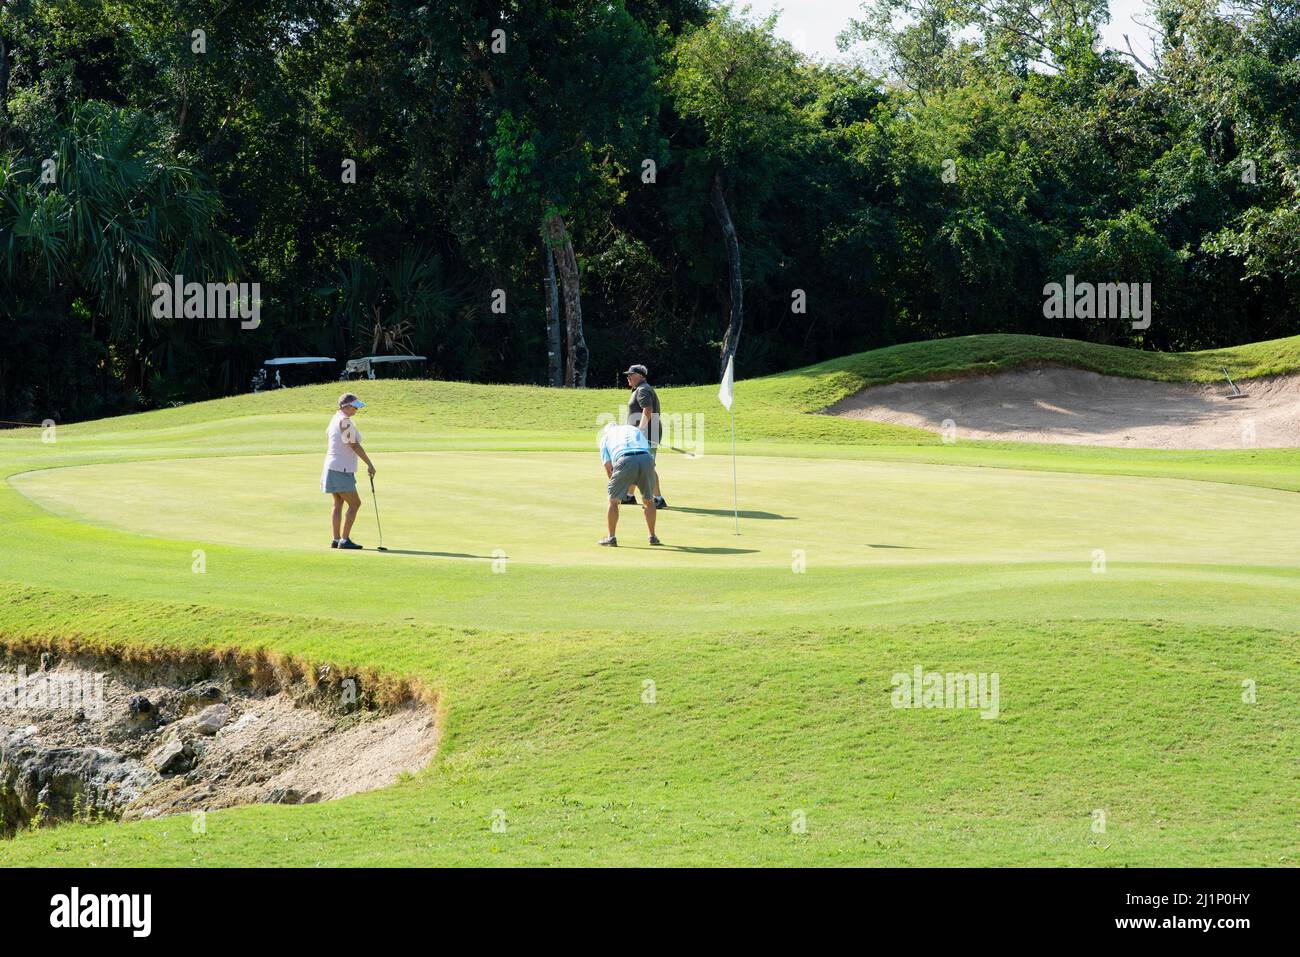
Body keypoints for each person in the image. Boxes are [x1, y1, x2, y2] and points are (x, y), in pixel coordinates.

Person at [321, 393, 377, 549]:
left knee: (338, 503)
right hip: (341, 469)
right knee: (355, 504)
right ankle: (344, 540)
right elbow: (354, 445)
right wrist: (369, 464)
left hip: (332, 467)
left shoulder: (334, 419)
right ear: (345, 406)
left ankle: (336, 539)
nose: (356, 410)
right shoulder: (344, 422)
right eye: (354, 407)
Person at [598, 422, 661, 547]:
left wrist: (617, 489)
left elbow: (608, 466)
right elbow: (648, 452)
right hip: (646, 459)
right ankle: (652, 537)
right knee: (649, 500)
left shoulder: (605, 437)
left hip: (624, 459)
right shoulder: (633, 429)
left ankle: (611, 538)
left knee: (613, 501)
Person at [621, 364, 667, 509]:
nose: (628, 377)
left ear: (640, 376)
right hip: (646, 434)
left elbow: (647, 411)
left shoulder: (643, 390)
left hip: (645, 435)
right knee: (637, 466)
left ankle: (658, 498)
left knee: (647, 466)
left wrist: (640, 431)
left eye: (631, 374)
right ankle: (628, 496)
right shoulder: (641, 389)